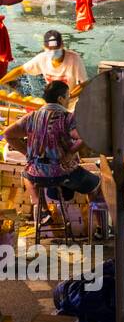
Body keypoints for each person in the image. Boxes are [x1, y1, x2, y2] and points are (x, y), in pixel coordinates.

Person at [3, 81, 101, 222]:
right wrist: (70, 152)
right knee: (96, 185)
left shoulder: (31, 117)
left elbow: (7, 134)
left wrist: (28, 154)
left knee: (26, 174)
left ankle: (42, 209)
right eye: (68, 96)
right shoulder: (66, 118)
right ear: (60, 99)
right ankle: (99, 228)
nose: (69, 100)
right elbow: (85, 136)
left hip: (36, 175)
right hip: (62, 174)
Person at [1, 30, 88, 90]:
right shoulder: (42, 58)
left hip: (71, 101)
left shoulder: (74, 59)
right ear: (44, 47)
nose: (53, 52)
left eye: (56, 48)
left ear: (62, 45)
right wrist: (1, 82)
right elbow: (20, 70)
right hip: (53, 100)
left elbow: (84, 84)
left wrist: (69, 96)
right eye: (50, 49)